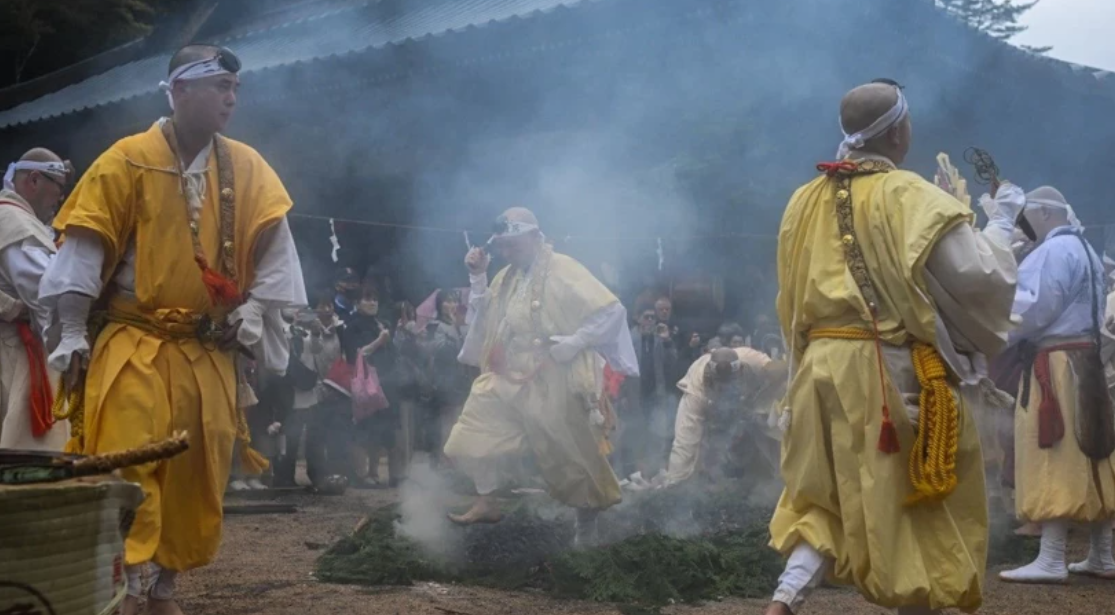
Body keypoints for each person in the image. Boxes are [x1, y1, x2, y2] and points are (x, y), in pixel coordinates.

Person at [39, 44, 306, 614]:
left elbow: (278, 253)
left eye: (236, 89)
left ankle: (162, 592)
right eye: (219, 87)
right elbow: (82, 252)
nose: (231, 99)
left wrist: (255, 311)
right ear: (181, 90)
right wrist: (70, 332)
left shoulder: (247, 166)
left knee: (194, 473)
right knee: (128, 459)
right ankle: (126, 587)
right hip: (133, 340)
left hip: (205, 349)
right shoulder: (125, 159)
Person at [766, 81, 1020, 615]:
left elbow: (788, 297)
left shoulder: (803, 198)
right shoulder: (910, 195)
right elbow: (975, 276)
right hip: (885, 374)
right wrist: (1000, 225)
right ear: (900, 131)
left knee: (822, 499)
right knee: (915, 500)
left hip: (819, 368)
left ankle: (784, 599)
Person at [443, 207, 638, 545]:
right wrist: (478, 275)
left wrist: (574, 342)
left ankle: (585, 529)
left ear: (535, 237)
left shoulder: (563, 268)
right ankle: (487, 499)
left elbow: (610, 311)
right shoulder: (507, 276)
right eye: (501, 247)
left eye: (513, 246)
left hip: (558, 374)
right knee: (474, 422)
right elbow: (485, 315)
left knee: (571, 455)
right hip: (512, 374)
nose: (506, 253)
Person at [998, 187, 1115, 583]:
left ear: (1044, 215)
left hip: (1058, 363)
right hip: (1088, 360)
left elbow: (1030, 309)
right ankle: (1103, 554)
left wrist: (994, 333)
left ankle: (1051, 558)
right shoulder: (1088, 252)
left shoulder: (1053, 252)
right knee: (1095, 451)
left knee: (1057, 451)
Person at [0, 149, 72, 450]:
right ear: (33, 180)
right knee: (28, 456)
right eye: (58, 188)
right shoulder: (14, 222)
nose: (59, 198)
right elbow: (47, 291)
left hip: (15, 344)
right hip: (16, 349)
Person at [662, 346, 784, 487]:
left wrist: (768, 411)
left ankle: (783, 478)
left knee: (774, 431)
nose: (727, 388)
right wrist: (675, 480)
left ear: (741, 370)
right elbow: (684, 441)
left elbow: (780, 377)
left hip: (751, 402)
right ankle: (697, 481)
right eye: (722, 385)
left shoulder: (755, 362)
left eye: (731, 382)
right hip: (712, 412)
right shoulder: (696, 391)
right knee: (697, 448)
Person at [273, 289, 345, 488]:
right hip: (288, 388)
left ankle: (316, 474)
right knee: (290, 436)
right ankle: (284, 476)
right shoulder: (279, 325)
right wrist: (293, 330)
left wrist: (314, 332)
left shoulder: (306, 328)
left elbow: (316, 349)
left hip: (309, 387)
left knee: (315, 435)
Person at [342, 286, 403, 488]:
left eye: (375, 299)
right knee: (365, 429)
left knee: (385, 429)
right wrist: (379, 341)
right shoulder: (352, 326)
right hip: (366, 386)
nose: (372, 303)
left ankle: (381, 472)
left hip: (387, 384)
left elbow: (392, 354)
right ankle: (363, 474)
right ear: (357, 303)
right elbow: (356, 354)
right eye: (367, 299)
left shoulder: (380, 324)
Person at [418, 289, 475, 465]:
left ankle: (457, 461)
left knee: (459, 420)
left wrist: (459, 326)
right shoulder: (434, 326)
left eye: (454, 301)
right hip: (441, 381)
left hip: (461, 379)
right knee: (443, 421)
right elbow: (438, 349)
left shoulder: (464, 325)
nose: (451, 305)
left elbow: (471, 349)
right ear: (439, 304)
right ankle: (442, 460)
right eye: (447, 301)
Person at [621, 307, 678, 479]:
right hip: (634, 394)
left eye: (653, 318)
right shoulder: (629, 339)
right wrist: (623, 394)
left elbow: (672, 364)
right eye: (646, 317)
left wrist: (668, 341)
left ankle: (652, 472)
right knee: (635, 432)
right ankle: (632, 473)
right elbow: (620, 368)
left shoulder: (660, 340)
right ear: (638, 318)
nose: (650, 321)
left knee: (656, 432)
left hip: (655, 394)